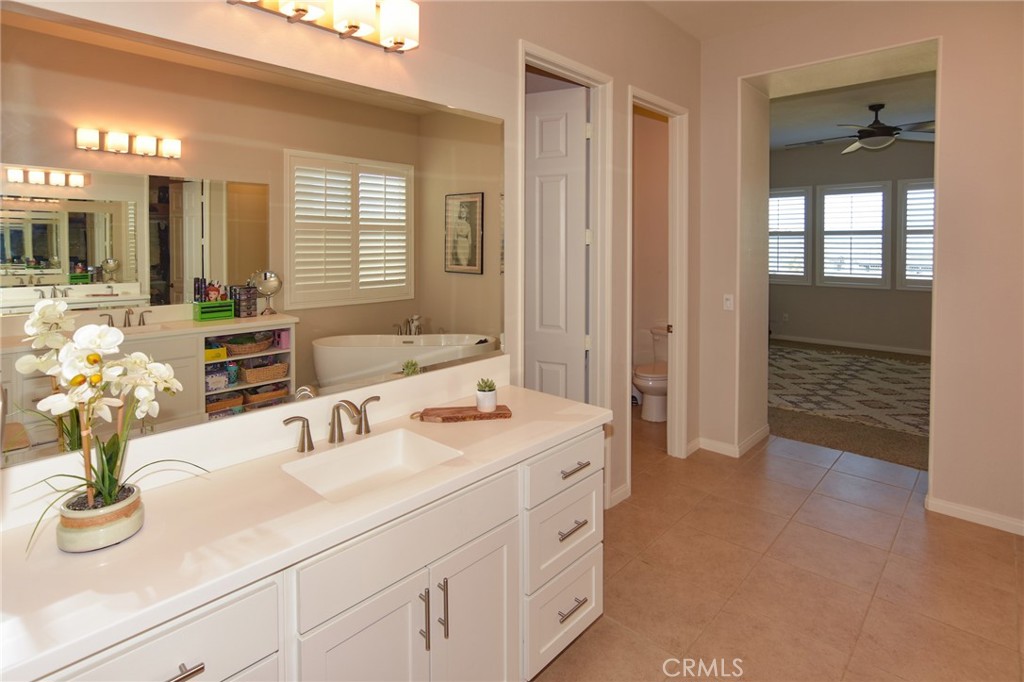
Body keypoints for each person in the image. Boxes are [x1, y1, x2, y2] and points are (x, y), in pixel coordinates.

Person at [451, 201, 475, 267]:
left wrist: (470, 253)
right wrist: (454, 249)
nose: (462, 213)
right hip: (459, 244)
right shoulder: (457, 223)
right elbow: (455, 237)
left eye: (464, 212)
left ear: (466, 213)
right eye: (461, 212)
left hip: (466, 246)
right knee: (462, 263)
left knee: (465, 265)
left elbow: (470, 240)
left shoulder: (468, 225)